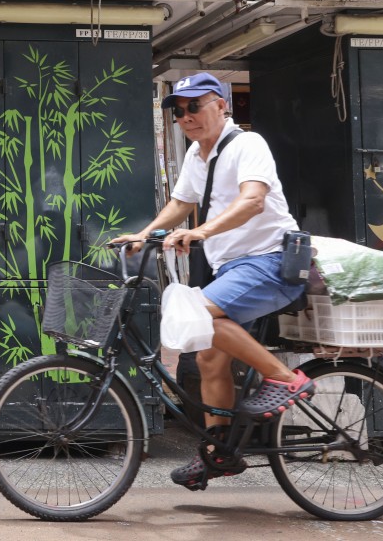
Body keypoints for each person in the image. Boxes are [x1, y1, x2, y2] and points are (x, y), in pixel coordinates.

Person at [114, 72, 315, 491]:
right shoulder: (195, 155)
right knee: (208, 356)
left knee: (200, 317)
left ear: (222, 104)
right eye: (179, 111)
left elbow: (253, 199)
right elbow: (181, 202)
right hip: (235, 269)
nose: (186, 116)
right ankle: (220, 452)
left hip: (271, 260)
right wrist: (145, 234)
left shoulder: (247, 145)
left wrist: (201, 232)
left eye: (195, 106)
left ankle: (287, 379)